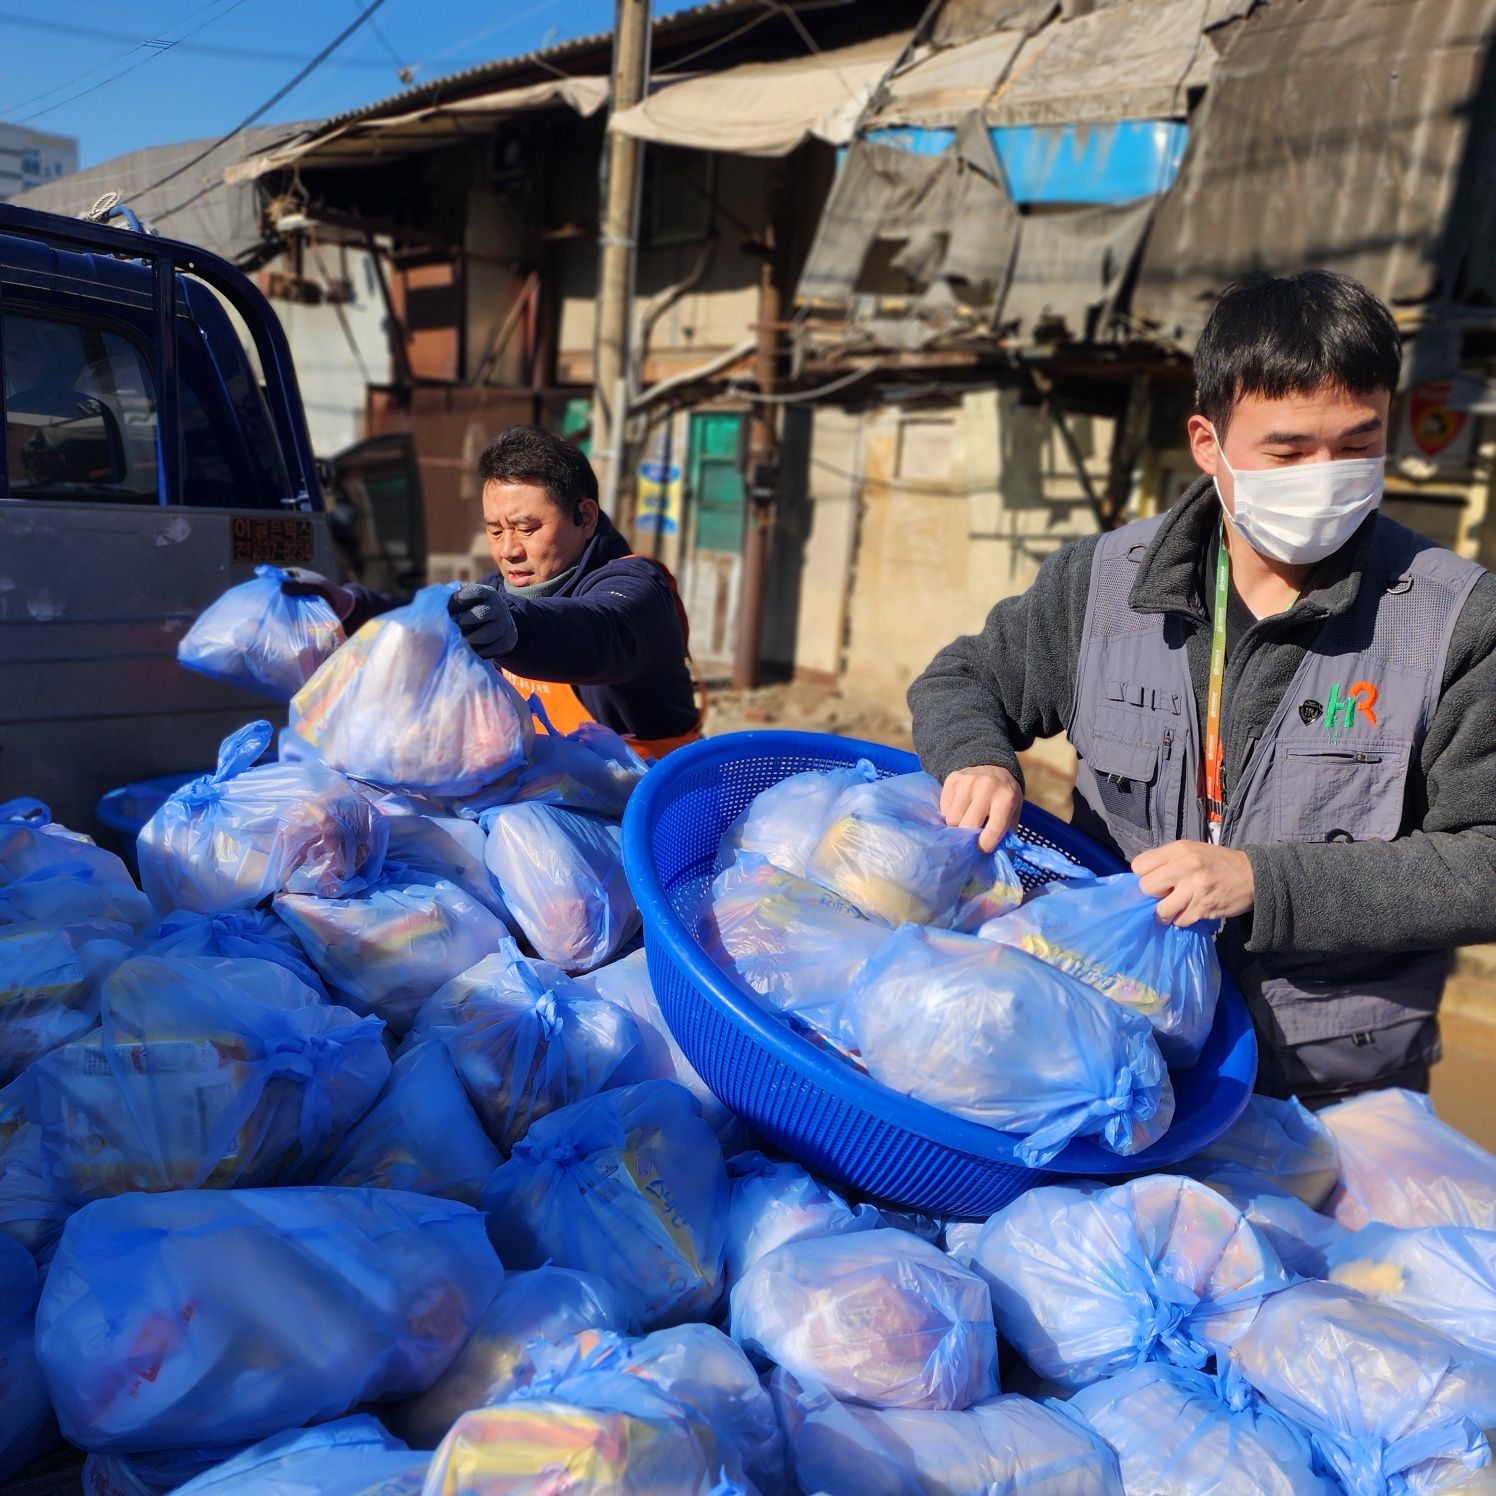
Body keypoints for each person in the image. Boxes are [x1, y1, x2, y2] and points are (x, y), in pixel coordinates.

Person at [909, 269, 1496, 1106]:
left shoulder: (1457, 620)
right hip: (1111, 1036)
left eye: (1357, 444)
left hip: (1328, 1085)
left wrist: (1265, 884)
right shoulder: (1101, 584)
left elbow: (1486, 860)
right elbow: (963, 679)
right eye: (1287, 452)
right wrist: (977, 758)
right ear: (1207, 443)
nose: (1326, 475)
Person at [287, 425, 701, 758]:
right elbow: (427, 615)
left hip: (649, 810)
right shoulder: (498, 592)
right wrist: (349, 606)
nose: (508, 550)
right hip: (556, 799)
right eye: (496, 530)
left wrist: (515, 626)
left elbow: (599, 631)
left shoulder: (637, 589)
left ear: (586, 518)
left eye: (526, 528)